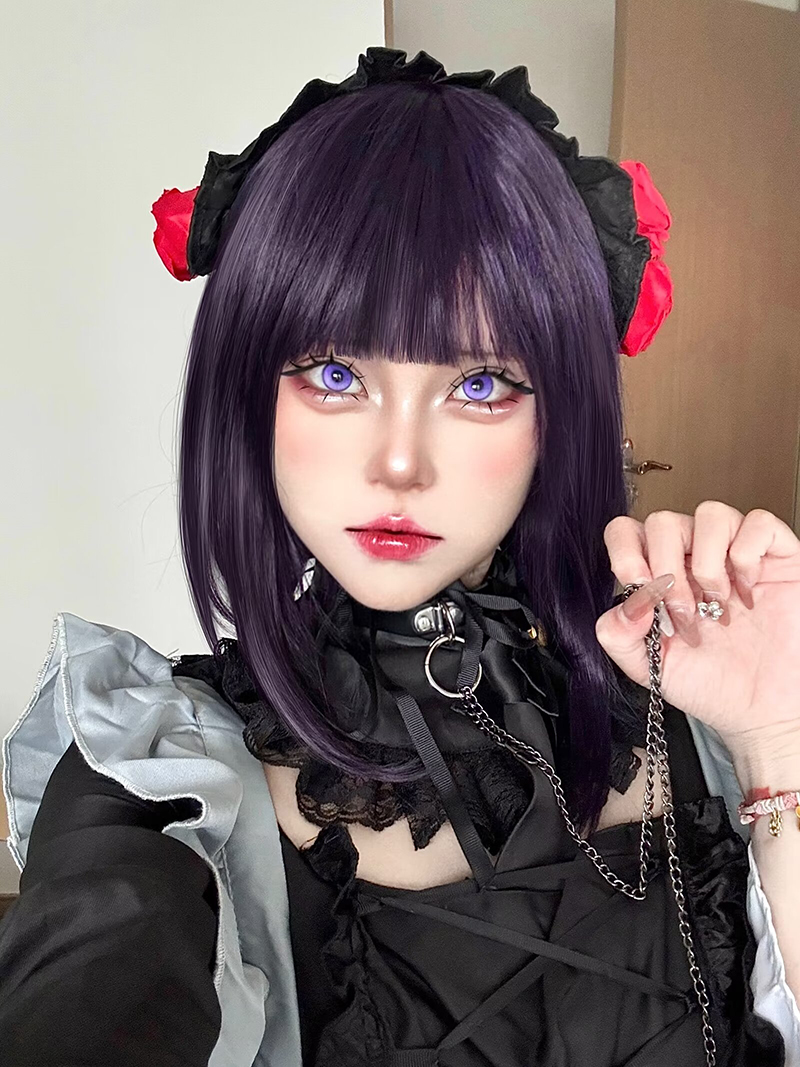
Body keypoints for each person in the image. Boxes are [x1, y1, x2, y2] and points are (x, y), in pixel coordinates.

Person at [1, 45, 799, 1067]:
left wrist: (778, 740)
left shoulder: (699, 701)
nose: (398, 462)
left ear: (559, 417)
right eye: (335, 373)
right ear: (249, 392)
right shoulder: (155, 773)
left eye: (479, 384)